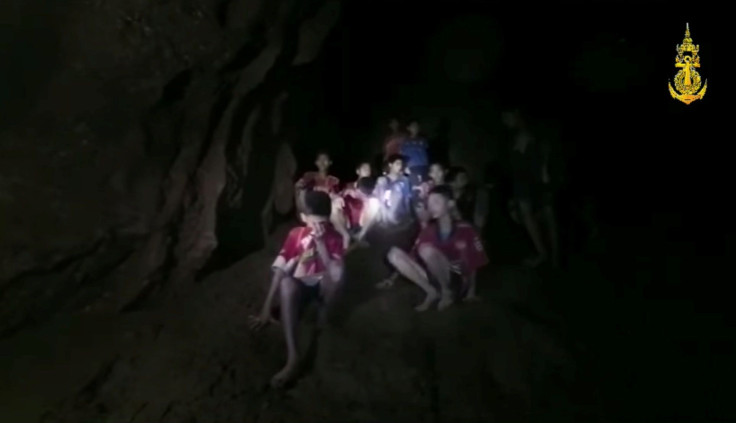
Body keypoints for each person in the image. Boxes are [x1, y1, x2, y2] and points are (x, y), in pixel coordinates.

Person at [249, 191, 346, 388]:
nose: (319, 228)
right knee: (286, 283)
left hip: (324, 286)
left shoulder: (334, 236)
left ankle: (323, 311)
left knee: (338, 269)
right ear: (303, 218)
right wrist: (266, 308)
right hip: (304, 284)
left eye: (324, 223)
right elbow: (280, 269)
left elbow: (334, 274)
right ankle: (293, 358)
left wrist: (321, 244)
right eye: (314, 222)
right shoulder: (296, 234)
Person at [385, 185, 488, 311]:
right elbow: (413, 255)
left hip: (456, 279)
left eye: (436, 202)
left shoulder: (465, 229)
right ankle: (432, 292)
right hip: (433, 276)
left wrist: (471, 293)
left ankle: (447, 293)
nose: (431, 207)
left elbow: (474, 262)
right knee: (393, 253)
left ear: (450, 204)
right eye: (429, 203)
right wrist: (392, 278)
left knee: (426, 250)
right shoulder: (429, 230)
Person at [502, 108, 559, 267]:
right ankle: (546, 254)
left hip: (533, 180)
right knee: (535, 215)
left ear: (516, 115)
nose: (505, 121)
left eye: (507, 116)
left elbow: (541, 157)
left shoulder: (527, 134)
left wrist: (544, 173)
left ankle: (550, 254)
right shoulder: (516, 136)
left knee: (546, 215)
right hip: (527, 180)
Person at [295, 151, 350, 248]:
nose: (322, 162)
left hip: (327, 210)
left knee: (336, 205)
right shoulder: (309, 175)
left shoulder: (334, 180)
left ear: (330, 163)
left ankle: (344, 236)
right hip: (311, 208)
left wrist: (336, 196)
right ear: (316, 162)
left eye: (325, 160)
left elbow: (336, 194)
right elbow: (300, 187)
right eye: (320, 159)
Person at [447, 166, 488, 232]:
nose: (465, 178)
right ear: (452, 183)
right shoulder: (448, 201)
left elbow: (480, 221)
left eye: (465, 177)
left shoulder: (476, 194)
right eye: (461, 178)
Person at [374, 154, 412, 225]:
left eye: (401, 164)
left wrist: (408, 214)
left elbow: (407, 198)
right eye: (397, 164)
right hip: (386, 213)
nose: (400, 166)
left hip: (401, 213)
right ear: (390, 165)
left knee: (397, 191)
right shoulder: (383, 180)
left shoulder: (404, 180)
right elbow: (380, 199)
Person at [400, 120, 430, 187]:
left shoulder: (423, 140)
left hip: (423, 166)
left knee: (424, 185)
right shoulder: (405, 140)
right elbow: (402, 154)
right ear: (408, 128)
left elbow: (427, 153)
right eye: (413, 126)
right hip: (411, 167)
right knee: (414, 186)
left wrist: (427, 166)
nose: (416, 128)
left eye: (417, 126)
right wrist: (404, 167)